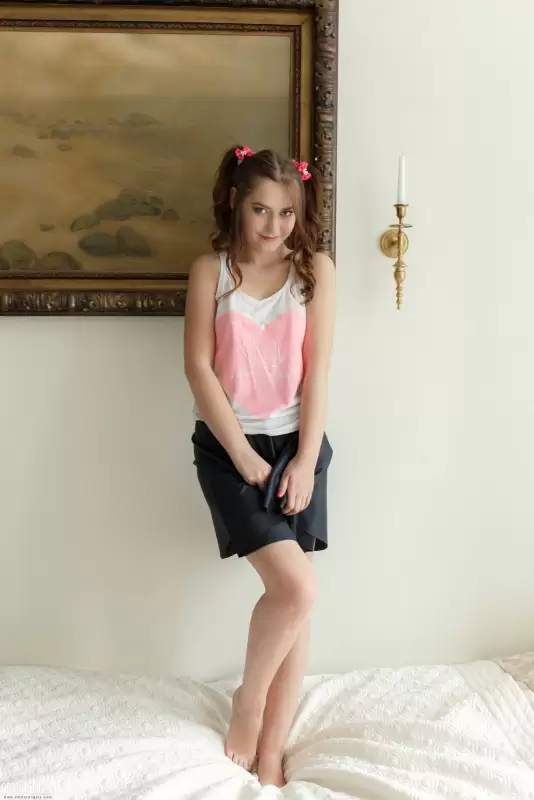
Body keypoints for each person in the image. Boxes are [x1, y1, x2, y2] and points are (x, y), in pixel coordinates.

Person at [184, 144, 335, 787]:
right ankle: (249, 702)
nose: (274, 226)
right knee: (295, 589)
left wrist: (305, 459)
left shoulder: (315, 272)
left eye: (286, 213)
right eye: (261, 210)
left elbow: (318, 372)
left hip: (299, 449)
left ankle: (272, 748)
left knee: (297, 598)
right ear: (236, 204)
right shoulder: (210, 272)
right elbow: (199, 368)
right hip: (230, 451)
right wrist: (243, 455)